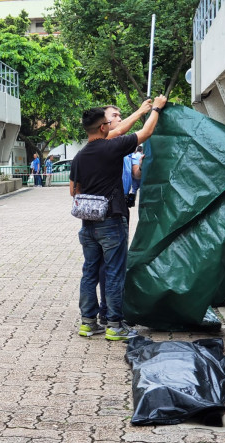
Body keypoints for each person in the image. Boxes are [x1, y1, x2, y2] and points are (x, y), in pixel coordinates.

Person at [71, 95, 167, 340]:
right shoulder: (112, 148)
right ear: (103, 127)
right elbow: (144, 133)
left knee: (89, 272)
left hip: (87, 224)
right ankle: (114, 325)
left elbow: (73, 191)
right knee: (114, 272)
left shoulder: (80, 156)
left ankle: (88, 323)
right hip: (112, 221)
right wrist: (155, 108)